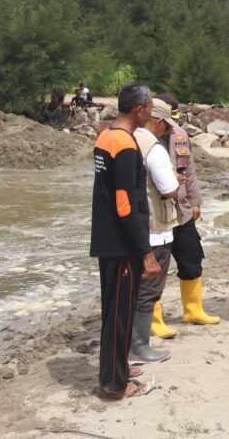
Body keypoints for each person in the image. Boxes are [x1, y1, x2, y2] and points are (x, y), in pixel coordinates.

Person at [90, 83, 160, 400]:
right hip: (121, 245)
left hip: (107, 239)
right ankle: (116, 386)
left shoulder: (106, 136)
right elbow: (125, 205)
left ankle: (115, 369)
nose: (150, 114)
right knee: (119, 315)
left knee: (114, 312)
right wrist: (144, 252)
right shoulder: (126, 146)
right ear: (140, 110)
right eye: (149, 109)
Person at [148, 94, 219, 338]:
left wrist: (195, 201)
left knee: (192, 258)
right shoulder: (143, 140)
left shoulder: (179, 134)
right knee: (155, 267)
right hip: (157, 214)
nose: (169, 125)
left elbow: (189, 170)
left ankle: (193, 310)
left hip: (182, 211)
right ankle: (154, 319)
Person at [130, 99, 182, 365]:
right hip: (154, 229)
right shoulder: (154, 147)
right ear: (158, 121)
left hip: (132, 227)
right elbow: (168, 188)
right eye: (167, 126)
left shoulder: (129, 139)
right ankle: (139, 347)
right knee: (148, 289)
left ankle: (130, 344)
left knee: (132, 288)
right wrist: (176, 179)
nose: (169, 132)